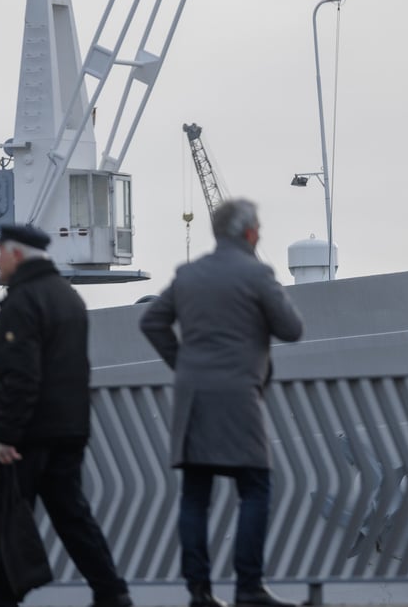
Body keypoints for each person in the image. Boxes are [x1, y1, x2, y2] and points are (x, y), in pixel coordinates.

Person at [139, 199, 304, 607]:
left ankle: (199, 592)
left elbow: (151, 321)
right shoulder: (257, 273)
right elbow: (291, 329)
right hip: (238, 398)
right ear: (248, 232)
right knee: (256, 488)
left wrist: (183, 364)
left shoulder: (189, 274)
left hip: (192, 398)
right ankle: (248, 587)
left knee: (195, 495)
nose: (260, 233)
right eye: (259, 227)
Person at [0, 224, 131, 607]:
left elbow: (21, 374)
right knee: (71, 515)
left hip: (30, 433)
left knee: (9, 513)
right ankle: (111, 591)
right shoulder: (68, 297)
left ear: (15, 254)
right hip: (70, 429)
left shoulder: (22, 302)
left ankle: (2, 598)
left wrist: (8, 434)